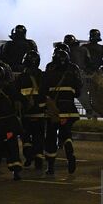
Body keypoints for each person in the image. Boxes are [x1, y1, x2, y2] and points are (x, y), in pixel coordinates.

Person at [43, 48, 83, 176]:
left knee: (51, 137)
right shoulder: (72, 72)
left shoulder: (49, 71)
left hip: (54, 110)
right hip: (69, 109)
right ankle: (69, 152)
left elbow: (43, 89)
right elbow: (78, 91)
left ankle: (50, 167)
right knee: (66, 133)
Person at [15, 51, 48, 169]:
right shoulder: (43, 76)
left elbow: (16, 94)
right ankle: (39, 158)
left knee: (25, 135)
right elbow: (47, 92)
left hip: (26, 113)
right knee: (39, 136)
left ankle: (28, 154)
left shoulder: (21, 78)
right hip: (40, 112)